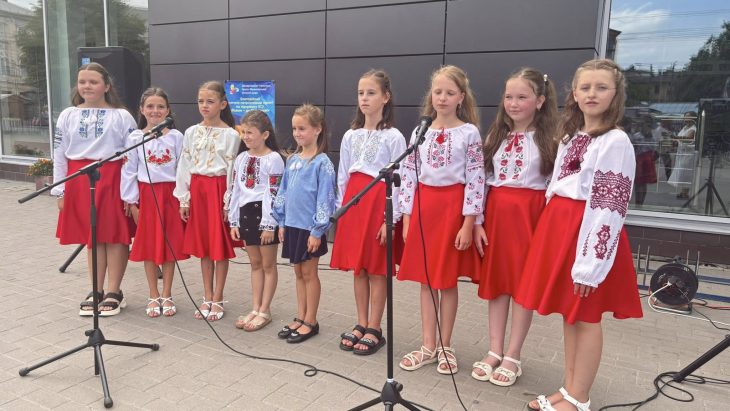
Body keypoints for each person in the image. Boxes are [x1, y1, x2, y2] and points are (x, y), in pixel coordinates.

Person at [515, 59, 643, 411]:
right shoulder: (572, 136)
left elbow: (609, 205)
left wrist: (590, 264)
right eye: (585, 87)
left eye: (601, 87)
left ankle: (580, 397)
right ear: (573, 93)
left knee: (585, 316)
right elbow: (556, 184)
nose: (592, 94)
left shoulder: (615, 141)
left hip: (587, 232)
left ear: (615, 94)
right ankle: (569, 388)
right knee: (570, 314)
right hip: (562, 229)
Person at [471, 68, 558, 386]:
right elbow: (481, 181)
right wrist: (478, 221)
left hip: (529, 217)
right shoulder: (496, 136)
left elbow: (553, 187)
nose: (514, 103)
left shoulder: (551, 140)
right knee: (498, 284)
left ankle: (513, 355)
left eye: (522, 97)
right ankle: (494, 349)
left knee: (522, 285)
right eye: (509, 96)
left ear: (540, 100)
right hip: (496, 216)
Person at [397, 65, 485, 375]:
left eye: (450, 93)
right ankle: (427, 345)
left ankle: (446, 345)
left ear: (461, 96)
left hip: (451, 209)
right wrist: (406, 217)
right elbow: (408, 175)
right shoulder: (420, 131)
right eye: (438, 92)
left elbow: (476, 177)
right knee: (426, 280)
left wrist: (468, 222)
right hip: (424, 207)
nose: (442, 98)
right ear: (430, 95)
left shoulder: (469, 132)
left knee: (446, 281)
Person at [330, 69, 407, 355]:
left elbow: (400, 180)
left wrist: (391, 219)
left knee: (376, 269)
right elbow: (343, 175)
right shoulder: (351, 135)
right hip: (355, 202)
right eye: (361, 93)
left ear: (386, 97)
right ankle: (361, 322)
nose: (364, 98)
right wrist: (341, 209)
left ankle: (375, 326)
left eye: (371, 93)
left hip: (378, 202)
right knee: (358, 268)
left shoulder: (393, 136)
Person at [51, 62, 137, 317]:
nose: (86, 86)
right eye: (82, 82)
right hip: (79, 178)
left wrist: (130, 192)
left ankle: (114, 291)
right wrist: (59, 190)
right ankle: (96, 290)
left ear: (106, 86)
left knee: (115, 234)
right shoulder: (68, 115)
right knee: (93, 235)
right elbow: (59, 153)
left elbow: (132, 155)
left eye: (93, 82)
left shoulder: (121, 116)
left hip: (112, 177)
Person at [174, 81, 241, 321]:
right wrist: (184, 198)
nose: (204, 105)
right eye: (201, 101)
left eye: (210, 101)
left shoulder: (231, 134)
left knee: (218, 246)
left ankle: (219, 297)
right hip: (198, 189)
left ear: (222, 104)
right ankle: (207, 295)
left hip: (218, 189)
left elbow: (232, 169)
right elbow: (184, 164)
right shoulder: (191, 132)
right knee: (204, 246)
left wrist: (228, 202)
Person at [120, 87, 188, 318]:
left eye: (160, 106)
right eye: (150, 106)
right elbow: (129, 171)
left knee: (169, 245)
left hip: (170, 194)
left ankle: (167, 293)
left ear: (168, 110)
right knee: (149, 245)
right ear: (141, 109)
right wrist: (132, 202)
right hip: (146, 195)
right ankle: (153, 293)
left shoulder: (176, 137)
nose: (155, 111)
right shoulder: (135, 138)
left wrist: (183, 199)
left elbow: (182, 169)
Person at [272, 104, 336, 344]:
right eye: (294, 129)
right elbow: (283, 191)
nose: (297, 133)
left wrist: (318, 230)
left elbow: (325, 199)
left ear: (317, 129)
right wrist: (281, 222)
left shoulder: (322, 163)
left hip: (310, 229)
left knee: (309, 273)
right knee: (298, 272)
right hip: (292, 225)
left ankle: (311, 320)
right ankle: (300, 315)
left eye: (302, 128)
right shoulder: (292, 160)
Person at [229, 110, 284, 331]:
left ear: (265, 134)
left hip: (264, 214)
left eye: (250, 132)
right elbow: (235, 189)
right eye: (243, 132)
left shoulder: (274, 159)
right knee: (255, 264)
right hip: (246, 213)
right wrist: (234, 220)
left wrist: (270, 224)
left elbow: (274, 192)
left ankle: (265, 310)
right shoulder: (242, 158)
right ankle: (255, 307)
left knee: (268, 265)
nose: (245, 137)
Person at [668, 111, 697, 199]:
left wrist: (675, 137)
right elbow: (680, 139)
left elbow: (688, 138)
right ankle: (683, 191)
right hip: (681, 153)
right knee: (682, 172)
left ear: (693, 118)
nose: (685, 118)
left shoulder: (693, 128)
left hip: (688, 154)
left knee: (686, 173)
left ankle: (685, 192)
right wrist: (675, 141)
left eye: (688, 116)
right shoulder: (684, 127)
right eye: (685, 116)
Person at [629, 117, 658, 206]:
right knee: (639, 183)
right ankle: (639, 202)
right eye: (646, 124)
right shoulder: (637, 136)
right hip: (641, 160)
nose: (647, 127)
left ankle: (640, 203)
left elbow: (654, 148)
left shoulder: (649, 136)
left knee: (641, 183)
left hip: (644, 161)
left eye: (649, 125)